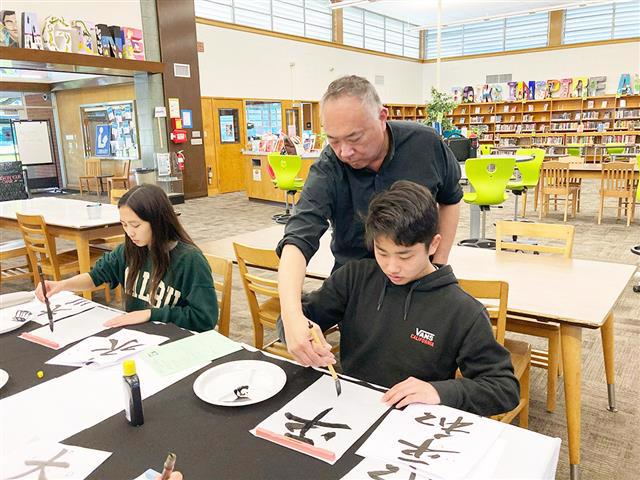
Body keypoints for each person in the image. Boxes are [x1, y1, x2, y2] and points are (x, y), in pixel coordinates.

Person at [278, 181, 519, 416]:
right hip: (351, 407)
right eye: (382, 252)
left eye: (405, 256)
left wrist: (439, 391)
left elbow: (503, 388)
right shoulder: (355, 278)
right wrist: (295, 329)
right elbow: (295, 320)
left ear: (433, 244)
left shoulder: (463, 311)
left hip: (411, 422)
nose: (392, 267)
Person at [277, 75, 462, 366]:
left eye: (354, 138)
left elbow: (450, 198)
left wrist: (437, 262)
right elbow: (299, 236)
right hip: (357, 288)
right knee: (364, 365)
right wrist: (291, 317)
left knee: (427, 365)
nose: (345, 152)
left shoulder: (425, 144)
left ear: (382, 117)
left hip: (419, 279)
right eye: (333, 140)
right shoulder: (329, 166)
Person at [35, 184, 218, 332]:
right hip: (139, 336)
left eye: (136, 225)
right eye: (124, 225)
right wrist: (62, 285)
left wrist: (151, 314)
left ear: (158, 221)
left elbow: (204, 319)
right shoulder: (129, 251)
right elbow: (96, 277)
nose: (130, 232)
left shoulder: (189, 260)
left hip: (176, 341)